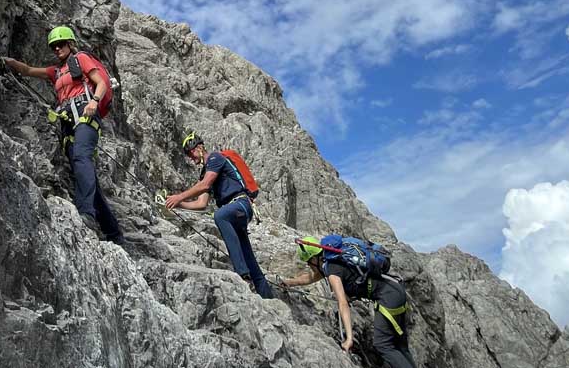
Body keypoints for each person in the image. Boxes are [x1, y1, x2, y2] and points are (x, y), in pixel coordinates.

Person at [2, 26, 124, 245]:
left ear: (70, 43)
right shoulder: (56, 72)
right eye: (54, 46)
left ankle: (86, 213)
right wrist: (10, 62)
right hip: (68, 123)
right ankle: (114, 233)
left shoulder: (81, 59)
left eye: (61, 44)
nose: (57, 49)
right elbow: (28, 70)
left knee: (81, 158)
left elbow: (100, 83)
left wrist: (94, 102)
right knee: (82, 170)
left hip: (86, 116)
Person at [164, 132, 274, 299]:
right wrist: (177, 204)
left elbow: (205, 185)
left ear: (200, 148)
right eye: (188, 155)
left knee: (220, 216)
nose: (191, 158)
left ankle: (242, 274)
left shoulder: (215, 158)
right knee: (249, 259)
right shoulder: (205, 172)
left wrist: (179, 196)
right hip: (233, 212)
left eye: (191, 152)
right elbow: (201, 204)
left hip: (240, 203)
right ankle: (268, 299)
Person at [283, 238, 416, 367]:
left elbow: (343, 304)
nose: (309, 266)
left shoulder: (332, 271)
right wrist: (288, 282)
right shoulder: (333, 261)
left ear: (314, 259)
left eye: (308, 262)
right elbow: (310, 278)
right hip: (395, 289)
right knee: (400, 345)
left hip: (387, 297)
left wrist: (349, 339)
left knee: (383, 345)